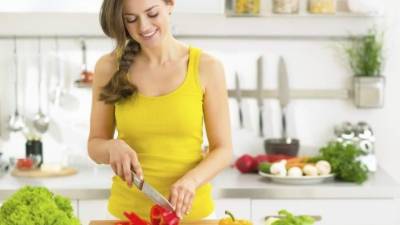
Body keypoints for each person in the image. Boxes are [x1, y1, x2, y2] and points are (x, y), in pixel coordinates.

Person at [87, 0, 232, 221]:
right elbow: (95, 145)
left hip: (191, 215)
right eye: (131, 19)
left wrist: (191, 181)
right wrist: (110, 147)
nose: (144, 27)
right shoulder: (108, 68)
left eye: (152, 13)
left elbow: (223, 149)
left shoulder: (206, 67)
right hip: (129, 214)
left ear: (170, 4)